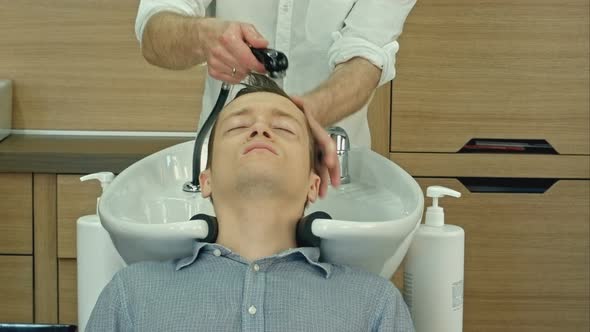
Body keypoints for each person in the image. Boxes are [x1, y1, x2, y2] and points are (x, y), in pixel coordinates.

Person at [86, 74, 415, 331]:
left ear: (313, 185)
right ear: (206, 179)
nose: (259, 129)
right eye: (240, 126)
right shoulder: (133, 295)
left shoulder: (374, 303)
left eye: (284, 128)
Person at [134, 0, 417, 197]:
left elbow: (367, 55)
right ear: (206, 182)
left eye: (277, 127)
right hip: (227, 176)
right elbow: (155, 28)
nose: (262, 129)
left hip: (333, 177)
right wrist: (201, 36)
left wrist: (305, 113)